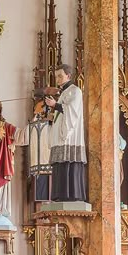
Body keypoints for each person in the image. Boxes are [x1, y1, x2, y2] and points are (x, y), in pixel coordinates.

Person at [44, 64, 87, 202]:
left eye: (60, 76)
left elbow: (72, 111)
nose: (57, 79)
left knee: (69, 163)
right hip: (61, 137)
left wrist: (54, 105)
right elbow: (62, 113)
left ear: (68, 76)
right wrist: (52, 117)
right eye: (56, 76)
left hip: (70, 137)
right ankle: (59, 195)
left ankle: (71, 195)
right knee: (60, 165)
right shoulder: (63, 93)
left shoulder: (75, 91)